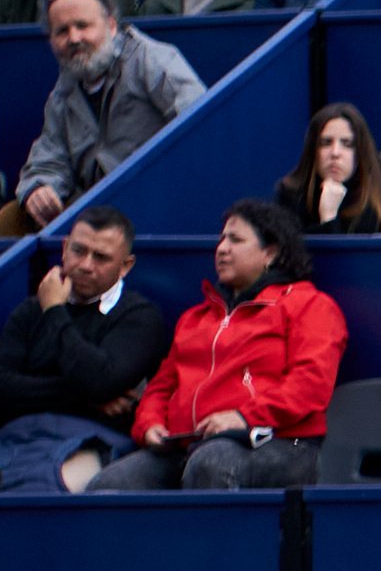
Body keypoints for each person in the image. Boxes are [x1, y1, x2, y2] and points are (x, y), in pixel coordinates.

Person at [92, 203, 342, 490]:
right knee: (109, 484)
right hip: (185, 445)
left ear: (269, 253)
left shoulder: (309, 306)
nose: (222, 249)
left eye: (235, 240)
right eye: (221, 239)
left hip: (282, 443)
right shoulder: (195, 318)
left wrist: (243, 417)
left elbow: (311, 384)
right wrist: (149, 424)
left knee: (211, 464)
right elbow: (161, 387)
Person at [0, 206, 166, 491]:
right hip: (13, 437)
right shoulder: (31, 310)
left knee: (39, 492)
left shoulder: (139, 316)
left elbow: (99, 381)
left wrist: (54, 312)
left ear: (126, 266)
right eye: (78, 251)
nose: (86, 265)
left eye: (101, 257)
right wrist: (85, 399)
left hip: (91, 440)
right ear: (64, 249)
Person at [5, 0, 201, 238]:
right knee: (14, 216)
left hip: (153, 202)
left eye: (83, 25)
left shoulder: (152, 60)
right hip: (91, 211)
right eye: (62, 31)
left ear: (110, 25)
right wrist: (40, 187)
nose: (74, 38)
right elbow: (49, 155)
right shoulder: (63, 91)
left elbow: (199, 124)